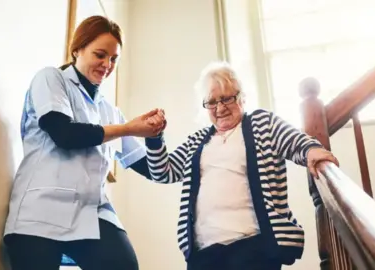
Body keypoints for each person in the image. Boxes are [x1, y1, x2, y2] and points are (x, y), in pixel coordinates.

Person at [143, 61, 339, 270]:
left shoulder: (262, 123)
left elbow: (294, 141)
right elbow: (163, 172)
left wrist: (312, 150)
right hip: (204, 251)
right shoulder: (197, 140)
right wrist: (154, 138)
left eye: (227, 98)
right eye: (212, 102)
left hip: (254, 245)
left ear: (241, 97)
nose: (220, 107)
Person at [3, 15, 163, 270]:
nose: (107, 65)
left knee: (124, 265)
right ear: (77, 49)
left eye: (113, 59)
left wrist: (155, 136)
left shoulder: (110, 111)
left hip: (92, 212)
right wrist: (129, 128)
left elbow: (152, 169)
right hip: (41, 211)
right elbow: (64, 134)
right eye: (100, 55)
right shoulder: (51, 79)